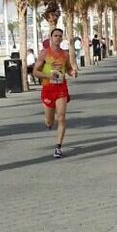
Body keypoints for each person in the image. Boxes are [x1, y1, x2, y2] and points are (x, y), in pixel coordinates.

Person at [32, 28, 77, 159]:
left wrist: (72, 72)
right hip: (48, 89)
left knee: (61, 117)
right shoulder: (44, 53)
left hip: (61, 89)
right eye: (55, 35)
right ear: (51, 38)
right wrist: (48, 75)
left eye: (60, 36)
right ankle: (49, 124)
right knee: (49, 120)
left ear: (62, 39)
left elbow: (68, 68)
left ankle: (58, 147)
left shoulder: (65, 54)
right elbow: (35, 71)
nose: (58, 38)